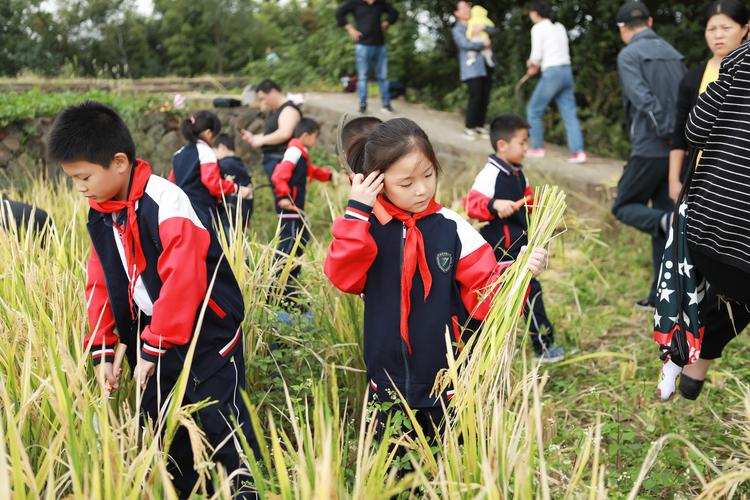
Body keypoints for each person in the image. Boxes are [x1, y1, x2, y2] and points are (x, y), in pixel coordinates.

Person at [46, 101, 258, 497]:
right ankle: (185, 488)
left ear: (120, 162)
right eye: (73, 179)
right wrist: (105, 350)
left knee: (219, 415)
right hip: (155, 332)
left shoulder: (167, 201)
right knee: (163, 417)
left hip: (207, 330)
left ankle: (243, 488)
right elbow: (103, 282)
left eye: (84, 176)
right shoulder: (101, 213)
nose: (80, 187)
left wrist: (154, 346)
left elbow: (184, 282)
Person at [324, 117, 548, 438]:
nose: (422, 189)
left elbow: (484, 292)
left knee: (445, 463)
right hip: (387, 378)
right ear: (375, 181)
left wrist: (519, 272)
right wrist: (357, 212)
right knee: (391, 472)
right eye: (406, 183)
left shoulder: (452, 228)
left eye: (428, 175)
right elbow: (343, 277)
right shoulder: (365, 228)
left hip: (446, 378)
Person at [667, 28, 750, 399]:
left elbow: (695, 131)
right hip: (740, 231)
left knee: (731, 293)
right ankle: (689, 366)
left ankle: (690, 373)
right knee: (735, 291)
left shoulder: (736, 61)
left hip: (705, 225)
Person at [464, 113, 564, 362]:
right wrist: (494, 204)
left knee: (530, 292)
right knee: (525, 293)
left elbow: (529, 201)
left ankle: (538, 345)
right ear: (502, 145)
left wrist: (546, 213)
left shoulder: (518, 173)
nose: (526, 148)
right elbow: (471, 203)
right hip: (501, 250)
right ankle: (538, 347)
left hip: (520, 245)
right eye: (522, 142)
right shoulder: (490, 173)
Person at [612, 1, 686, 310]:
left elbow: (642, 99)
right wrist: (679, 139)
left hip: (651, 147)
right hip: (678, 151)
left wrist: (667, 132)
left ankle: (668, 222)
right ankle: (661, 296)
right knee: (662, 224)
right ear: (650, 21)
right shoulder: (674, 53)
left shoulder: (628, 55)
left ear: (622, 30)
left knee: (623, 205)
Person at [669, 0, 749, 203]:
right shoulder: (692, 78)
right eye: (711, 28)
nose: (718, 35)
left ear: (744, 29)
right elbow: (680, 134)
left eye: (726, 28)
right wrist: (673, 180)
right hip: (700, 180)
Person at [271, 118, 332, 312]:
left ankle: (290, 290)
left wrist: (328, 175)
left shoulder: (300, 152)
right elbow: (279, 175)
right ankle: (276, 290)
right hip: (289, 207)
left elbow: (310, 171)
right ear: (306, 135)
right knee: (288, 247)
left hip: (297, 209)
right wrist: (283, 195)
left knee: (300, 243)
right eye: (315, 136)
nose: (315, 140)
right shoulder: (294, 150)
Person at [525, 1, 587, 164]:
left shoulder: (538, 28)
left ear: (535, 13)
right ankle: (578, 152)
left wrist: (531, 64)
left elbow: (536, 55)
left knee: (533, 110)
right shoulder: (559, 27)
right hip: (566, 71)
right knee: (569, 113)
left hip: (552, 73)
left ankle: (537, 147)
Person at [169, 111, 252, 226]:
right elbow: (213, 183)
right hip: (201, 210)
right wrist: (236, 188)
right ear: (208, 133)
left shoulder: (178, 153)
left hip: (180, 211)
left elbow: (172, 183)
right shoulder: (205, 151)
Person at [335, 0, 399, 114]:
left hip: (380, 45)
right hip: (363, 45)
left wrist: (386, 23)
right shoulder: (355, 3)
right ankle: (363, 104)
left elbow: (394, 13)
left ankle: (386, 105)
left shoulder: (380, 3)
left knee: (383, 77)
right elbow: (339, 13)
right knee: (363, 76)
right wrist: (350, 29)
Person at [240, 79, 302, 181]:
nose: (263, 102)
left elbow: (284, 133)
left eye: (263, 98)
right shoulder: (274, 111)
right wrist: (254, 138)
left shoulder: (288, 109)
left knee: (286, 195)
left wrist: (261, 140)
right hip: (273, 160)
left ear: (273, 92)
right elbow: (271, 133)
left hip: (284, 161)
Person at [452, 0, 495, 139]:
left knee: (484, 96)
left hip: (486, 65)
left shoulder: (478, 21)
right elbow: (465, 44)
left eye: (468, 7)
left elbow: (493, 29)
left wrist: (483, 28)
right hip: (471, 68)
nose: (467, 10)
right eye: (463, 8)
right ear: (456, 13)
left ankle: (479, 125)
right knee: (475, 96)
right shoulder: (457, 29)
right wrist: (483, 43)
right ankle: (469, 126)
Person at [214, 133, 254, 235]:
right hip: (243, 214)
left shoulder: (223, 165)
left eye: (214, 151)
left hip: (229, 216)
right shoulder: (240, 163)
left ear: (221, 147)